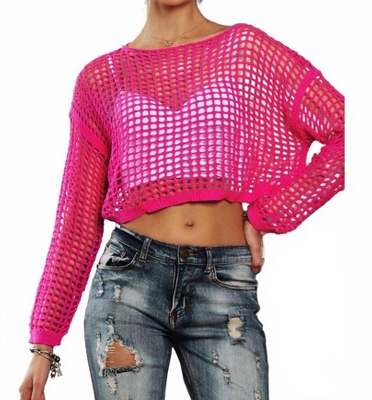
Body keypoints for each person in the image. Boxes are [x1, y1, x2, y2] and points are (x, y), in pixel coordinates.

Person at [19, 0, 344, 399]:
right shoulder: (102, 78)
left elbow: (347, 130)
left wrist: (267, 216)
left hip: (223, 282)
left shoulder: (245, 49)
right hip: (127, 283)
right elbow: (77, 218)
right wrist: (44, 344)